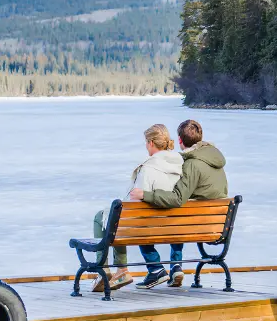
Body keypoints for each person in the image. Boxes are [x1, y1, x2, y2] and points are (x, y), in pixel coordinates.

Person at [129, 118, 228, 288]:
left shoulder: (191, 164)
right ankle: (175, 265)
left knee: (175, 211)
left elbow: (176, 199)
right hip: (214, 225)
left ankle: (158, 268)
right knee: (180, 215)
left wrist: (145, 194)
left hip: (192, 225)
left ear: (180, 140)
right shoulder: (216, 161)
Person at [92, 123, 182, 292]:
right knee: (116, 217)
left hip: (146, 227)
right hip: (172, 227)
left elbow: (134, 202)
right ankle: (122, 271)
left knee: (104, 217)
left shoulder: (148, 168)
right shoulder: (180, 166)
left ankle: (108, 270)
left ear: (151, 143)